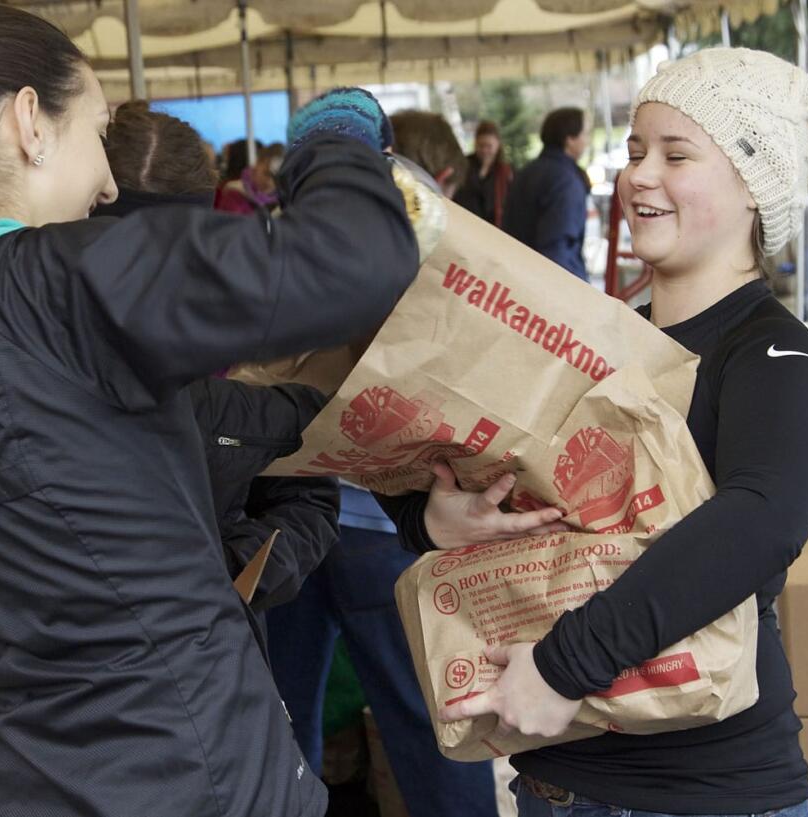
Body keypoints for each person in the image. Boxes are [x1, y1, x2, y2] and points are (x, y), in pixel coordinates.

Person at [0, 6, 419, 817]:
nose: (112, 183)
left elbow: (182, 420)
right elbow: (354, 260)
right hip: (189, 774)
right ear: (29, 124)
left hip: (45, 775)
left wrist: (398, 467)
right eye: (99, 128)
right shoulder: (38, 286)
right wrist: (336, 137)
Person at [380, 48, 808, 817]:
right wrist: (431, 519)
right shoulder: (593, 344)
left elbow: (762, 518)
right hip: (559, 786)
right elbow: (484, 471)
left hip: (706, 794)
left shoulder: (776, 352)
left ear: (754, 190)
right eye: (636, 151)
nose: (640, 174)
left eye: (677, 154)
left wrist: (562, 665)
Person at [264, 110, 540, 817]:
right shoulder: (422, 220)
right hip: (381, 523)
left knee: (280, 720)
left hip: (284, 519)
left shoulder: (277, 233)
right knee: (426, 721)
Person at [95, 100, 341, 618]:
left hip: (218, 645)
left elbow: (305, 494)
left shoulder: (246, 334)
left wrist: (238, 567)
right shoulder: (25, 340)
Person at [502, 107, 591, 281]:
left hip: (516, 277)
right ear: (570, 139)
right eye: (585, 134)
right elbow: (557, 246)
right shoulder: (566, 181)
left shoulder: (526, 172)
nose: (587, 140)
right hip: (551, 287)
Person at [455, 120, 513, 226]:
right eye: (481, 146)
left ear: (498, 144)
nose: (485, 150)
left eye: (489, 146)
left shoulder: (506, 172)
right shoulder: (463, 165)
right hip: (463, 224)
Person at [216, 142, 285, 215]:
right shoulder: (234, 193)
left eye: (276, 179)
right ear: (257, 164)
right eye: (266, 173)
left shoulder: (282, 203)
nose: (270, 182)